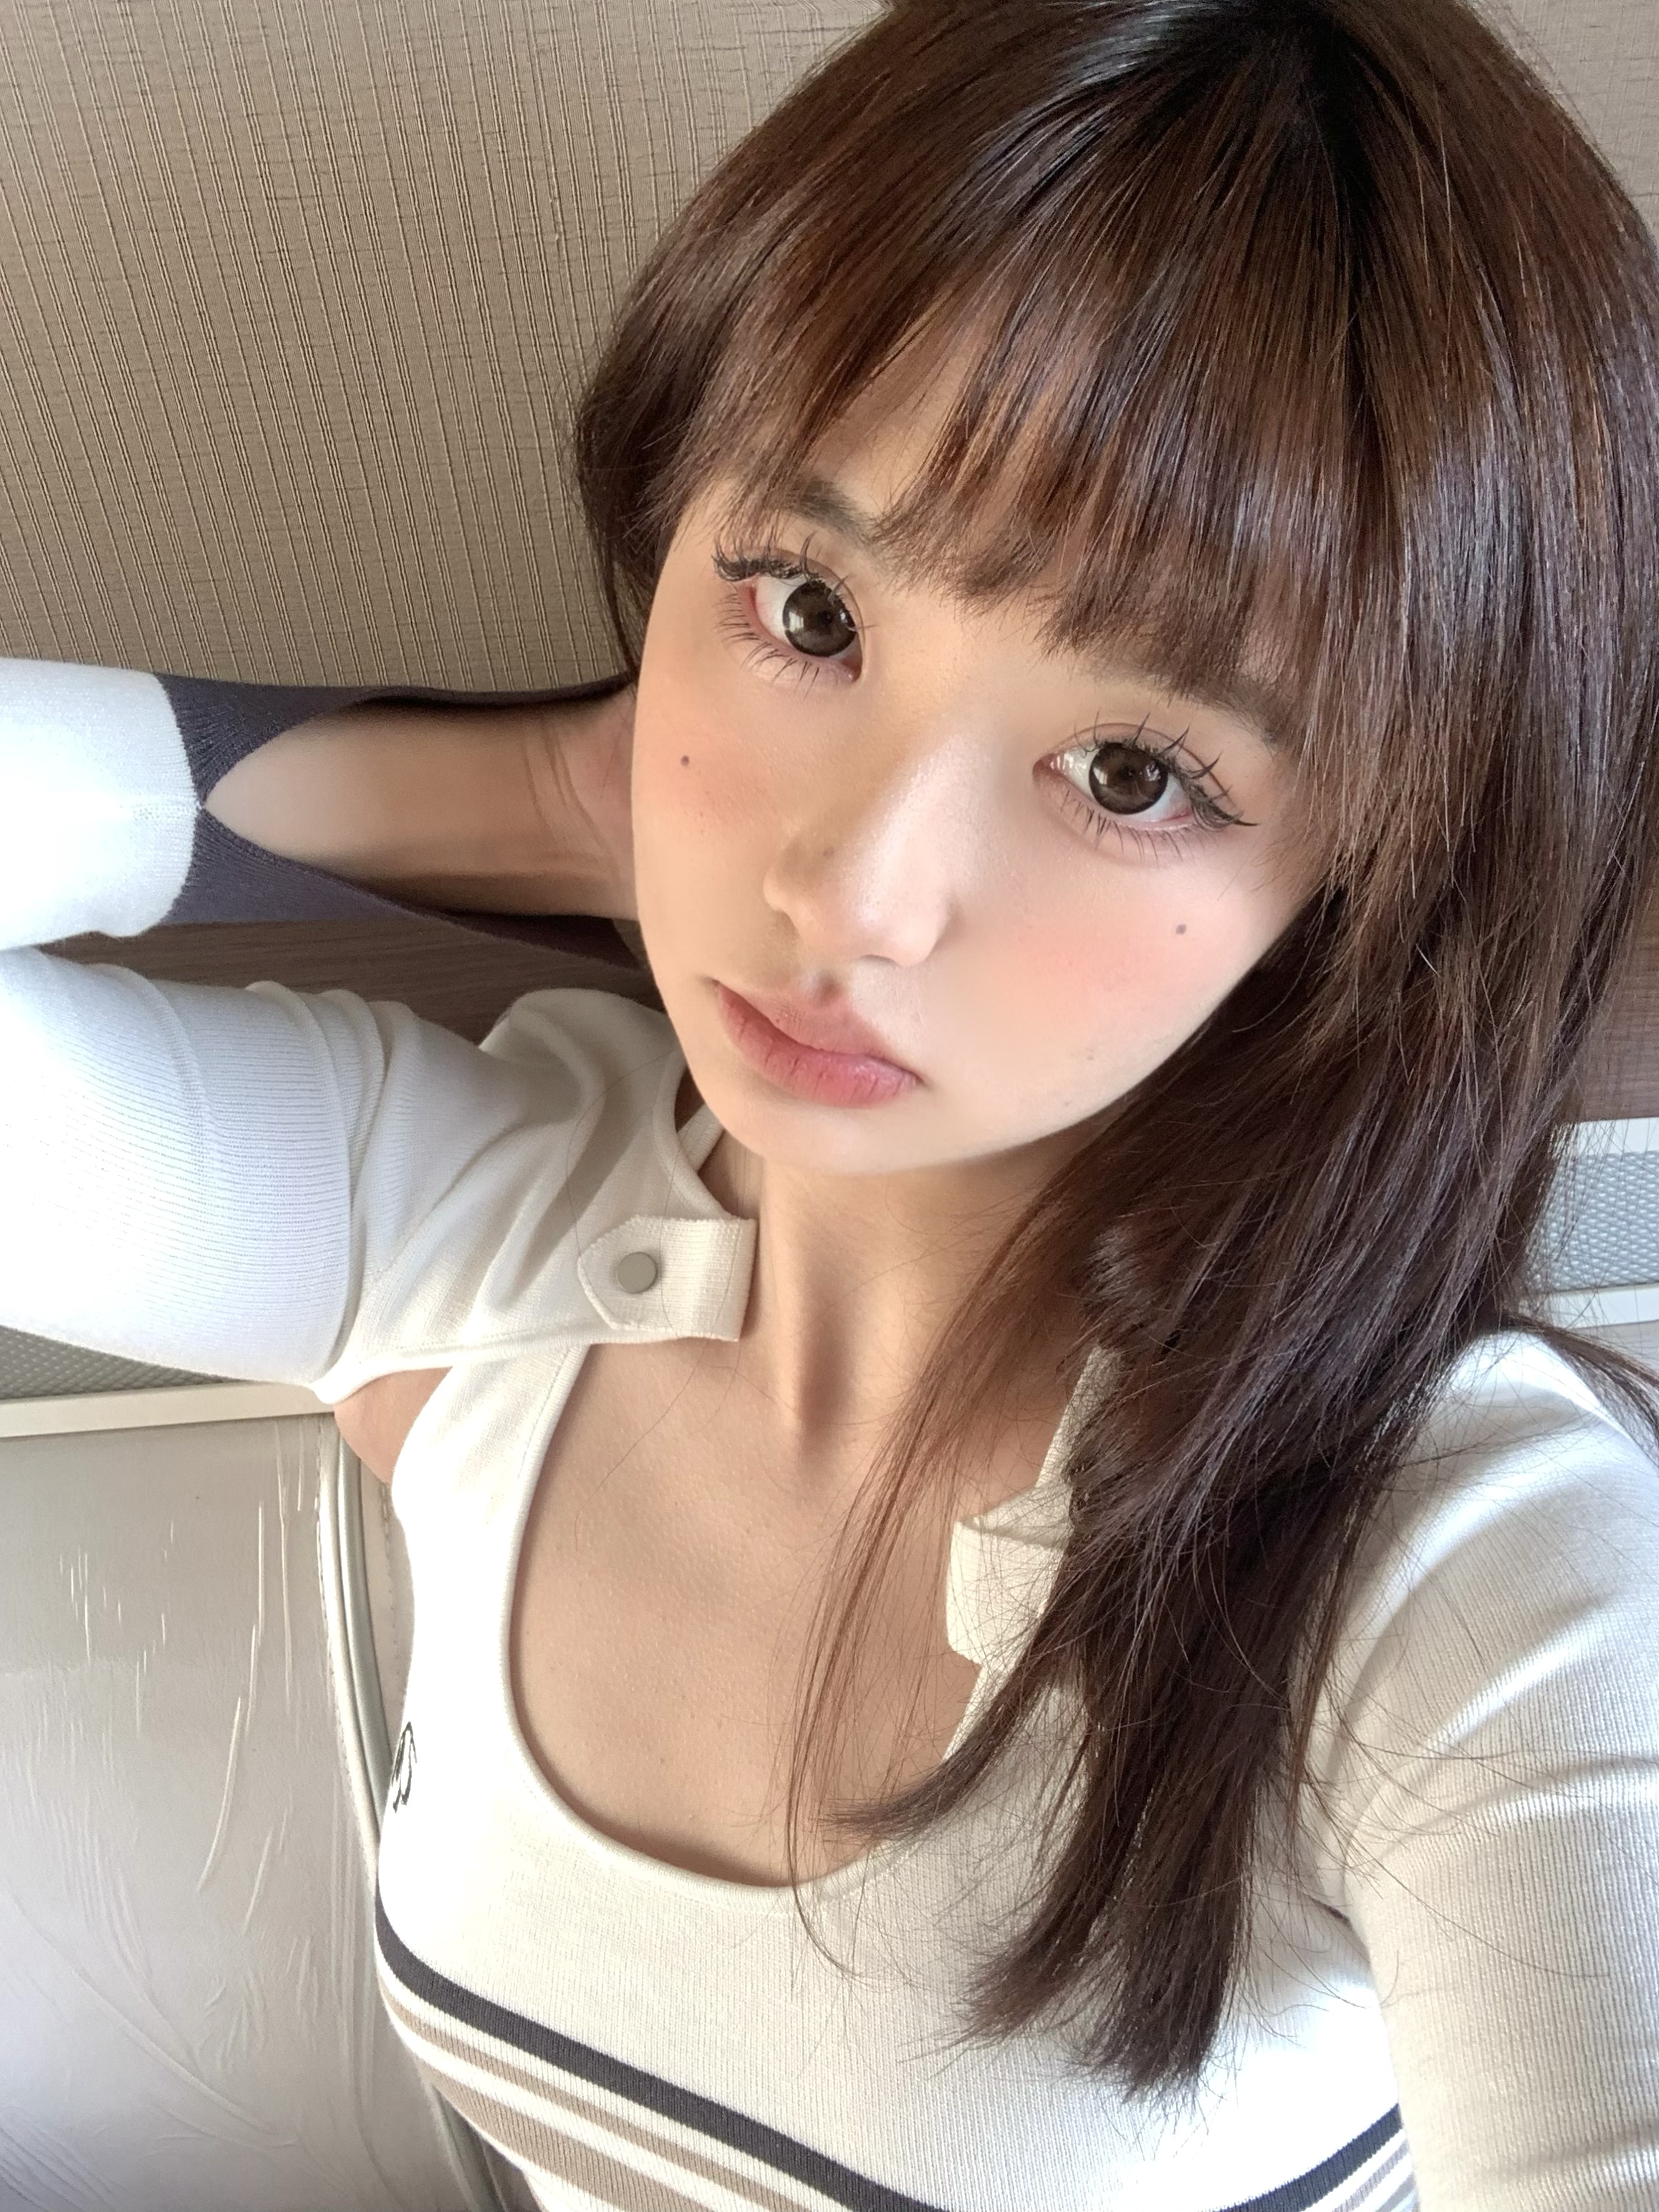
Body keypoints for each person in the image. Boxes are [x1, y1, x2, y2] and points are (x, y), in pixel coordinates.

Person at [4, 0, 1658, 2203]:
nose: (848, 892)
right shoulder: (471, 1239)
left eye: (1131, 771)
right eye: (805, 608)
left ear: (1370, 867)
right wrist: (545, 784)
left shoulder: (1460, 1567)